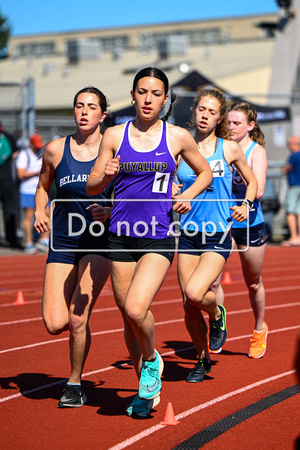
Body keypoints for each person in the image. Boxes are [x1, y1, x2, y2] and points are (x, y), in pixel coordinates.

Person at [86, 67, 213, 417]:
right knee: (128, 319)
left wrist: (186, 194)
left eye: (156, 93)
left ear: (165, 99)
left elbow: (205, 172)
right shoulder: (114, 135)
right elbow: (93, 187)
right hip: (120, 237)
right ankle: (145, 391)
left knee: (136, 309)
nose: (148, 99)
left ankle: (152, 359)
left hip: (156, 237)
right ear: (132, 95)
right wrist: (105, 175)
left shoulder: (176, 137)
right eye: (142, 92)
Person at [34, 86, 114, 408]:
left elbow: (128, 198)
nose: (84, 112)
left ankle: (74, 382)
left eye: (91, 107)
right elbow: (42, 187)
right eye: (79, 106)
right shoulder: (55, 149)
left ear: (102, 115)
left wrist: (109, 211)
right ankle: (79, 336)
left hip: (99, 240)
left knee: (77, 318)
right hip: (64, 240)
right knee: (56, 323)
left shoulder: (115, 153)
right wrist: (41, 210)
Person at [174, 90, 257, 382]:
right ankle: (201, 359)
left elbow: (252, 181)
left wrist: (246, 205)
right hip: (187, 233)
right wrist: (173, 192)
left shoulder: (229, 148)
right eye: (201, 109)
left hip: (217, 233)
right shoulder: (181, 146)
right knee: (188, 303)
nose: (205, 115)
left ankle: (218, 314)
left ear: (219, 117)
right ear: (194, 111)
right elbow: (169, 182)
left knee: (197, 293)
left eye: (211, 111)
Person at [213, 102, 268, 359]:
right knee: (212, 280)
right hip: (222, 221)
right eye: (230, 122)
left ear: (250, 126)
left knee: (253, 282)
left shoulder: (256, 152)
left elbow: (258, 191)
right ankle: (218, 325)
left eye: (237, 123)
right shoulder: (220, 146)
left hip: (250, 223)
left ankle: (259, 328)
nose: (232, 127)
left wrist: (237, 166)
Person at [16, 133, 50, 254]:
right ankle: (29, 243)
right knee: (29, 217)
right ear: (30, 144)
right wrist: (36, 172)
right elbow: (20, 173)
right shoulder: (24, 155)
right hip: (28, 190)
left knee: (48, 213)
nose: (37, 147)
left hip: (42, 190)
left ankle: (44, 239)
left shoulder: (40, 153)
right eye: (35, 145)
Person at [0, 122, 23, 249]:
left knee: (9, 210)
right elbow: (15, 153)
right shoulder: (8, 137)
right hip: (7, 179)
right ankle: (12, 239)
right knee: (9, 210)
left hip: (7, 180)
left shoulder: (8, 137)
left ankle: (11, 238)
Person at [281, 135, 300, 246]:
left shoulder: (294, 156)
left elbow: (285, 169)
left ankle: (294, 237)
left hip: (294, 186)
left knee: (290, 212)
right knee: (299, 212)